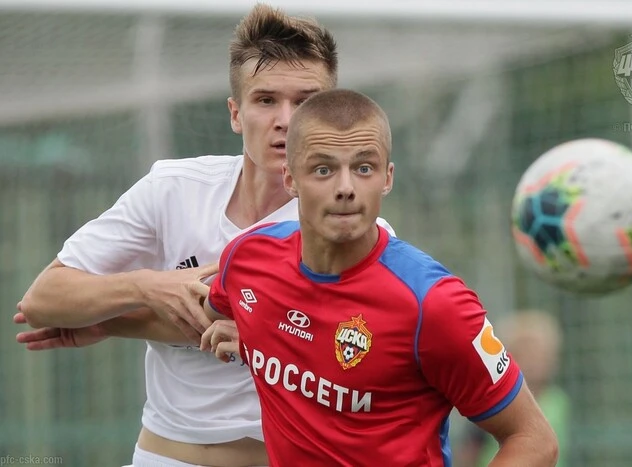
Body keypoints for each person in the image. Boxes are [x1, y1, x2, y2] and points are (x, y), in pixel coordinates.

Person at [16, 4, 393, 466]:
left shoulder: (356, 226)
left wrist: (117, 319)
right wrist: (148, 286)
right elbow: (42, 301)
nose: (285, 120)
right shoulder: (173, 188)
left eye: (305, 101)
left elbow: (359, 350)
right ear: (236, 114)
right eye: (266, 100)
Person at [201, 88, 559, 466]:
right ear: (290, 178)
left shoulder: (433, 303)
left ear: (387, 178)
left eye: (363, 168)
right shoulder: (247, 259)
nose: (345, 189)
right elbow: (214, 307)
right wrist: (259, 337)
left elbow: (534, 440)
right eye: (323, 169)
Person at [458, 310, 571, 467]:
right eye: (526, 354)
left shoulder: (558, 401)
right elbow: (470, 450)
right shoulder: (493, 400)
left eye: (540, 355)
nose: (534, 362)